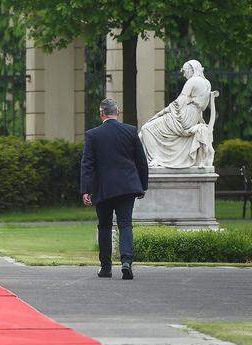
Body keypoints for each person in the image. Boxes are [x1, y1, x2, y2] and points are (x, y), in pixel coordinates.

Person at [80, 98, 148, 280]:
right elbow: (141, 161)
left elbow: (87, 164)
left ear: (101, 114)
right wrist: (142, 186)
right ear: (118, 113)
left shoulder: (92, 135)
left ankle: (106, 267)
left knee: (104, 226)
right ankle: (126, 262)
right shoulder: (130, 131)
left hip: (103, 188)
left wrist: (86, 190)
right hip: (127, 186)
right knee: (125, 224)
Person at [139, 60, 212, 168]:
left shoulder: (193, 81)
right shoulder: (207, 83)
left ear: (192, 69)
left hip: (183, 120)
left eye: (185, 71)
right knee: (148, 129)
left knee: (146, 129)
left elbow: (179, 102)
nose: (184, 74)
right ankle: (159, 158)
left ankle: (157, 159)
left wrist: (162, 112)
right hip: (192, 118)